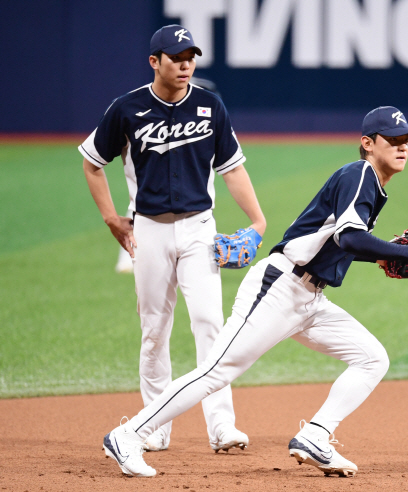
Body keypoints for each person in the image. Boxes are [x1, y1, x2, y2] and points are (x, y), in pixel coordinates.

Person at [102, 106, 408, 478]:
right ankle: (128, 435)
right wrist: (405, 253)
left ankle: (315, 436)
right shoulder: (360, 174)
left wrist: (381, 256)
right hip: (279, 289)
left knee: (372, 358)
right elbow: (350, 237)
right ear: (368, 143)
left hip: (310, 300)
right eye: (393, 140)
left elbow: (340, 241)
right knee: (216, 372)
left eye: (406, 140)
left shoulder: (371, 184)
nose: (402, 147)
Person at [81, 25, 266, 453]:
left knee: (210, 323)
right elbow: (92, 162)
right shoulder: (126, 109)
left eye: (190, 57)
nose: (186, 65)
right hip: (148, 232)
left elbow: (232, 168)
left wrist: (257, 220)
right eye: (176, 58)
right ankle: (154, 426)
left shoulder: (210, 105)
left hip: (200, 229)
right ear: (154, 61)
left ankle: (221, 426)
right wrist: (110, 218)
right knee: (154, 331)